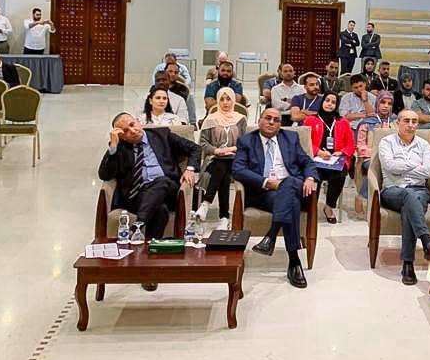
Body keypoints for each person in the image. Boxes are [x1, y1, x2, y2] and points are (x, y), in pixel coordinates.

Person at [232, 108, 318, 288]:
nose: (271, 122)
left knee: (289, 183)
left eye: (276, 120)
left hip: (292, 185)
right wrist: (266, 182)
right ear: (259, 119)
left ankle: (271, 236)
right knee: (292, 202)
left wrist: (310, 178)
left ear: (280, 124)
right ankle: (294, 260)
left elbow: (307, 162)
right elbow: (238, 170)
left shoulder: (290, 138)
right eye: (268, 118)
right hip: (264, 192)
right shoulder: (246, 140)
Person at [98, 112, 199, 247]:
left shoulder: (162, 135)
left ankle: (136, 227)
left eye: (133, 124)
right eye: (126, 131)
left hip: (168, 190)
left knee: (162, 181)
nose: (132, 131)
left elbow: (195, 148)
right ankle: (147, 249)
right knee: (160, 210)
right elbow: (104, 175)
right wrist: (113, 146)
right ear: (121, 136)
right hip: (138, 195)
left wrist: (190, 169)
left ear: (138, 121)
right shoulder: (120, 147)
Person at [377, 110, 430, 286]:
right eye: (407, 121)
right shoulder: (386, 142)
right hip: (392, 191)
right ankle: (425, 239)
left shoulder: (424, 145)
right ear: (398, 123)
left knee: (408, 207)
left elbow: (428, 172)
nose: (411, 125)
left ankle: (408, 264)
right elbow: (389, 166)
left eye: (414, 121)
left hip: (419, 190)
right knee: (409, 197)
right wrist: (415, 165)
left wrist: (401, 169)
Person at [197, 87, 247, 228]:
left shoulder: (240, 119)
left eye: (228, 99)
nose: (225, 103)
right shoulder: (210, 119)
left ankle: (206, 203)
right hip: (214, 158)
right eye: (222, 99)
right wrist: (217, 150)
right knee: (222, 170)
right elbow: (203, 143)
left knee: (221, 168)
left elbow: (245, 142)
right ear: (218, 101)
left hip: (235, 158)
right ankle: (224, 218)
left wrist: (231, 149)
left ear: (233, 100)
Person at [303, 91, 353, 224]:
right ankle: (311, 207)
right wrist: (318, 151)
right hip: (315, 159)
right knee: (314, 174)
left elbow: (350, 144)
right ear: (322, 101)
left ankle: (329, 207)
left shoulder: (342, 121)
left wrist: (341, 152)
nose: (329, 104)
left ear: (337, 105)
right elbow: (304, 141)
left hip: (335, 160)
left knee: (340, 174)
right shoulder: (310, 120)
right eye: (327, 100)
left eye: (333, 102)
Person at [353, 91, 397, 214]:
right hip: (369, 158)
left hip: (391, 158)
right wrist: (376, 154)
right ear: (377, 103)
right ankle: (362, 196)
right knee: (377, 166)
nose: (386, 106)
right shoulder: (367, 122)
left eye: (389, 103)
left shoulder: (395, 122)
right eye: (383, 102)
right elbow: (360, 146)